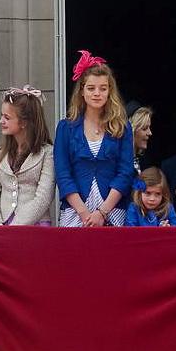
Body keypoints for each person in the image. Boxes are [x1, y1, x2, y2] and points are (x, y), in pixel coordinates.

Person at [54, 50, 135, 227]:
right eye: (91, 88)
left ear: (109, 92)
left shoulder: (122, 127)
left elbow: (125, 172)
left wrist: (102, 212)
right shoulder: (65, 128)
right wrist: (83, 212)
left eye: (103, 88)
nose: (97, 93)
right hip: (75, 209)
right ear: (81, 91)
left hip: (113, 209)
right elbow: (63, 174)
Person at [0, 85, 55, 226]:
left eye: (7, 117)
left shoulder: (47, 153)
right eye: (1, 116)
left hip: (35, 227)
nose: (1, 121)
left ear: (23, 122)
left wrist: (16, 227)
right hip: (1, 227)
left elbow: (43, 198)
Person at [126, 101, 154, 174]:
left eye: (149, 128)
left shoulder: (145, 163)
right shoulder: (117, 163)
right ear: (132, 130)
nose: (150, 133)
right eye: (144, 128)